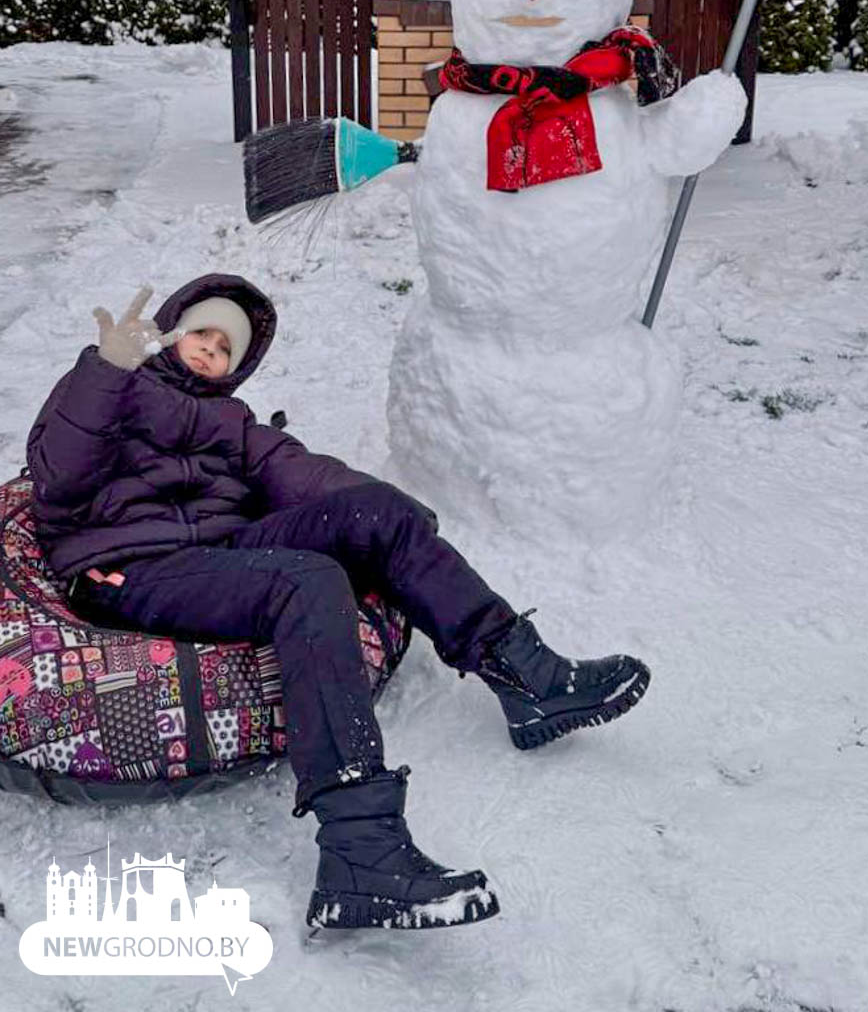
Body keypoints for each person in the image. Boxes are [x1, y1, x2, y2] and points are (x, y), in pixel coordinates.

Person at [26, 272, 651, 932]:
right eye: (201, 334)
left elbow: (308, 476)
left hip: (220, 550)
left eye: (227, 347)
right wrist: (106, 369)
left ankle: (527, 675)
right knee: (308, 580)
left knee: (373, 511)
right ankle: (360, 850)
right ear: (171, 331)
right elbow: (57, 475)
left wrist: (399, 519)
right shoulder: (115, 387)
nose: (211, 349)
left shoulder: (234, 423)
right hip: (132, 567)